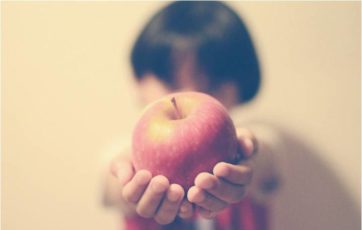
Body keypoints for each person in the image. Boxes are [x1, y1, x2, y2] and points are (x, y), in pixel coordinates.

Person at [102, 2, 281, 229]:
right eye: (170, 81)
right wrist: (131, 176)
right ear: (138, 83)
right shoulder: (128, 150)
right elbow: (108, 177)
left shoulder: (246, 144)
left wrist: (244, 156)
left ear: (242, 83)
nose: (190, 94)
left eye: (211, 84)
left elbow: (267, 161)